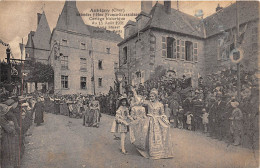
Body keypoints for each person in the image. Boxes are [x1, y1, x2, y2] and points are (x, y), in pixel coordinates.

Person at [130, 87, 173, 159]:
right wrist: (134, 93)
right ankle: (150, 151)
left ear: (156, 96)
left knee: (158, 136)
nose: (151, 97)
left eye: (152, 96)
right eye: (150, 96)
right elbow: (139, 100)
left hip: (157, 122)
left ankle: (159, 152)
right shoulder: (148, 103)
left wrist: (166, 120)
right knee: (148, 136)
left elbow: (162, 114)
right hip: (149, 120)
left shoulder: (160, 104)